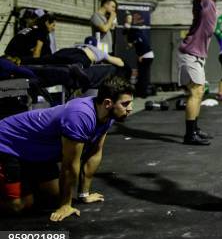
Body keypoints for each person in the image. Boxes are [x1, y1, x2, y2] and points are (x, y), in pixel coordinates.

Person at [0, 76, 134, 221]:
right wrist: (65, 205)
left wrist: (84, 194)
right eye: (125, 104)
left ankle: (21, 181)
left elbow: (94, 153)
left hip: (35, 152)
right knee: (19, 205)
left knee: (54, 194)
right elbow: (69, 165)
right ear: (108, 103)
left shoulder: (108, 116)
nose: (130, 108)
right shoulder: (80, 115)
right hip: (8, 143)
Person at [178, 0, 222, 145]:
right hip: (190, 53)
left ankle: (194, 129)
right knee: (196, 91)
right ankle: (189, 135)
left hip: (197, 55)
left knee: (198, 93)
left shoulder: (211, 2)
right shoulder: (204, 1)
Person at [123, 13, 155, 98]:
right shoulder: (130, 31)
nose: (128, 22)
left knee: (143, 75)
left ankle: (143, 93)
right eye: (127, 20)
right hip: (146, 55)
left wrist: (141, 55)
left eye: (129, 20)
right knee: (142, 74)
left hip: (146, 55)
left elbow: (142, 42)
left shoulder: (135, 31)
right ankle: (142, 92)